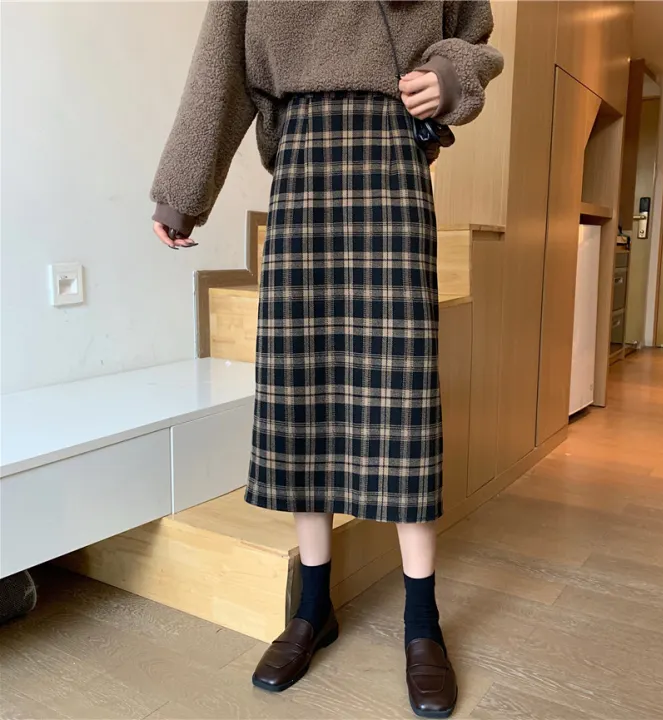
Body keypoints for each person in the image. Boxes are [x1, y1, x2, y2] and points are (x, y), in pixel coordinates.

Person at [151, 2, 502, 716]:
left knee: (402, 393)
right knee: (299, 386)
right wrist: (182, 192)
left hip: (393, 160)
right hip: (303, 163)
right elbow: (221, 68)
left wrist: (447, 74)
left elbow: (472, 34)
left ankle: (421, 622)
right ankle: (312, 608)